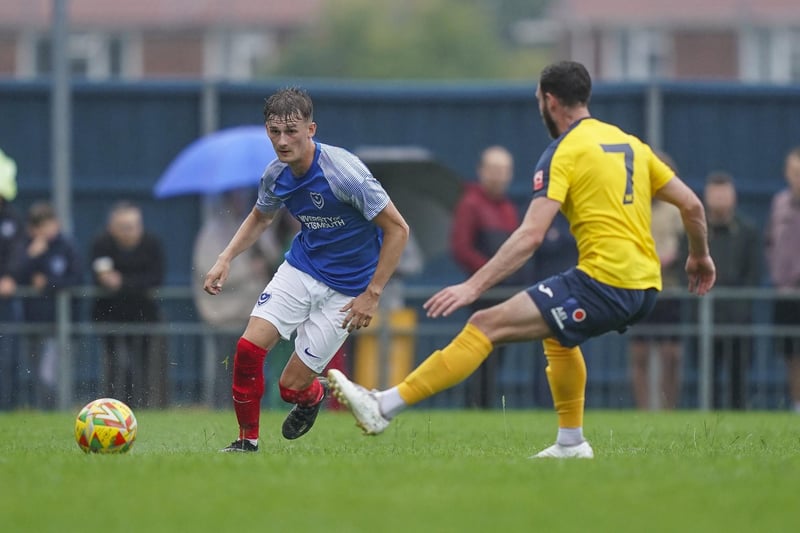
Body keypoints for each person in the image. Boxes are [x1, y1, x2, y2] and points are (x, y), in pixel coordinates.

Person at [327, 60, 716, 459]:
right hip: (646, 285)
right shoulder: (631, 144)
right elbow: (692, 205)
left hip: (606, 281)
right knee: (557, 336)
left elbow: (530, 235)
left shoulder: (564, 152)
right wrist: (699, 257)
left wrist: (472, 285)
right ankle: (571, 442)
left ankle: (383, 407)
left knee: (484, 323)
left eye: (537, 100)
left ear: (549, 100)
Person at [203, 87, 409, 452]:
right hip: (301, 269)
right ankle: (246, 442)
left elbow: (398, 229)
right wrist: (225, 258)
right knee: (249, 350)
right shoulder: (275, 174)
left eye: (291, 131)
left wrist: (372, 294)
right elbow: (260, 217)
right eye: (274, 132)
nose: (282, 141)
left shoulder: (344, 173)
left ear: (311, 129)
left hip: (348, 291)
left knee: (290, 388)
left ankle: (311, 396)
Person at [450, 145, 520, 408]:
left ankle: (486, 404)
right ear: (481, 171)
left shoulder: (508, 208)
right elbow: (461, 248)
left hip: (505, 292)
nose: (499, 176)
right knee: (479, 352)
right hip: (483, 293)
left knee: (497, 354)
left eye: (504, 170)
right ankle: (475, 404)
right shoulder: (471, 203)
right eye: (494, 169)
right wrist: (491, 273)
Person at [691, 172, 759, 409]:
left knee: (738, 374)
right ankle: (707, 417)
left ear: (734, 197)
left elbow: (754, 273)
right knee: (707, 375)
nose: (720, 199)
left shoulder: (748, 232)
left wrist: (740, 307)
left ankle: (739, 416)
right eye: (715, 193)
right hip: (705, 315)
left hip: (738, 318)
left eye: (724, 193)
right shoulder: (695, 232)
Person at [90, 201, 167, 408]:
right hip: (110, 317)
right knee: (116, 364)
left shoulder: (151, 244)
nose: (129, 232)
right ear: (111, 228)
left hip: (143, 317)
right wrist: (131, 283)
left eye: (133, 226)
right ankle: (112, 407)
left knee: (143, 365)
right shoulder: (102, 243)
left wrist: (122, 282)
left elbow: (155, 278)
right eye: (123, 227)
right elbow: (102, 278)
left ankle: (140, 406)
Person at [628, 153, 685, 410]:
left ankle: (668, 408)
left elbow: (685, 244)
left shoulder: (676, 209)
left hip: (669, 290)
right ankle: (643, 409)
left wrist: (674, 259)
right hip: (640, 288)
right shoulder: (632, 206)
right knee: (639, 354)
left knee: (670, 355)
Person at [15, 202, 83, 408]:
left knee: (51, 373)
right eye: (39, 227)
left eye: (48, 225)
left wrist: (48, 283)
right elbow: (15, 275)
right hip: (34, 322)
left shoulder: (68, 246)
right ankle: (45, 410)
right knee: (37, 372)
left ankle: (58, 408)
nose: (45, 231)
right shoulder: (27, 247)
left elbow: (77, 278)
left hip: (61, 324)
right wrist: (30, 256)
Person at [765, 146, 800, 413]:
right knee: (792, 354)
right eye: (793, 171)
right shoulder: (779, 204)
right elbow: (771, 243)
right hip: (786, 291)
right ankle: (796, 403)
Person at [0, 148, 26, 410]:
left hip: (5, 302)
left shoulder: (12, 221)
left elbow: (18, 253)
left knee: (7, 357)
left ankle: (6, 406)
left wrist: (8, 277)